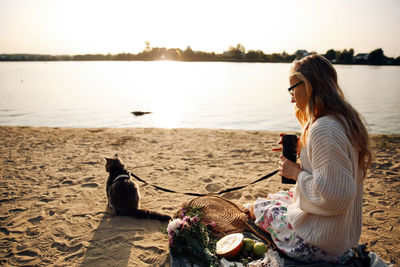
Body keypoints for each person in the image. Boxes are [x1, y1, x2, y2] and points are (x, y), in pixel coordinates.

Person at [246, 54, 372, 264]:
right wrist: (304, 149)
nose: (291, 97)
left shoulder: (324, 129)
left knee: (261, 208)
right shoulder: (343, 120)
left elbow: (336, 196)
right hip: (340, 236)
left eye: (292, 89)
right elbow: (336, 168)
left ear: (307, 85)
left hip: (319, 244)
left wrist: (296, 173)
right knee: (279, 197)